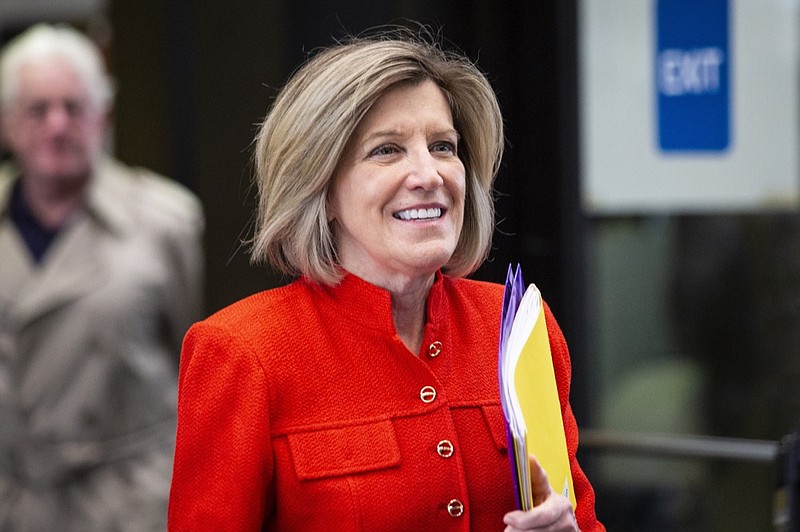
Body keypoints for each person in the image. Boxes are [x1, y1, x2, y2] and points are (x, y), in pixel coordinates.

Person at [168, 29, 603, 531]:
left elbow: (584, 521)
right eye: (386, 151)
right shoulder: (242, 351)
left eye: (443, 146)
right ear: (322, 188)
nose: (429, 174)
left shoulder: (516, 325)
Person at [0, 23, 204, 530]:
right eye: (38, 109)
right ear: (7, 123)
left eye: (74, 107)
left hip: (127, 503)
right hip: (17, 499)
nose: (57, 125)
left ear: (103, 116)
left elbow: (192, 355)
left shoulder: (165, 219)